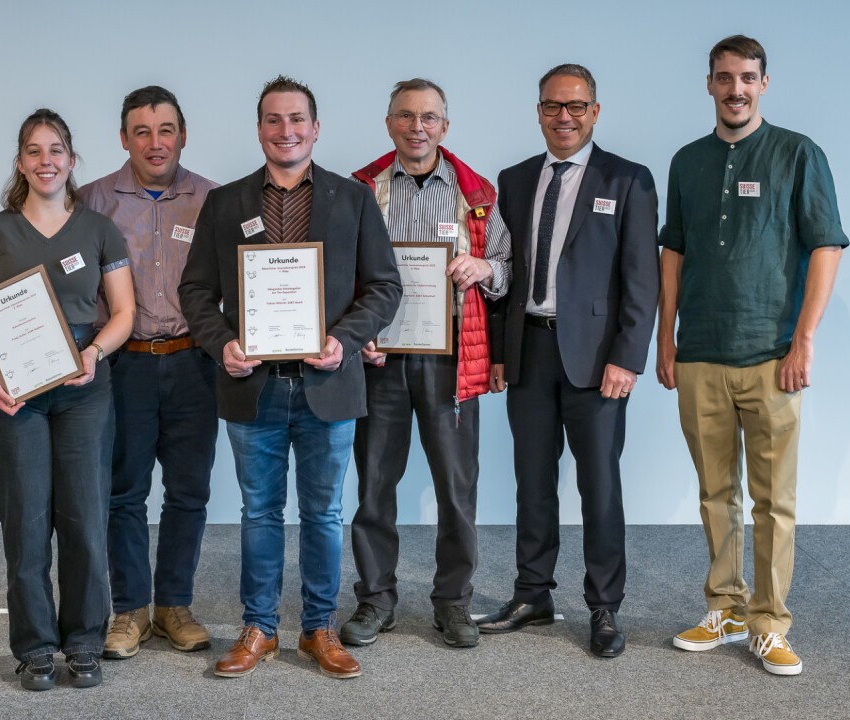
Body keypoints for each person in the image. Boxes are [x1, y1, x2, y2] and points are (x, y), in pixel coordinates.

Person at [178, 75, 402, 680]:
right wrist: (222, 342)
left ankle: (319, 629)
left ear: (315, 128)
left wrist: (343, 340)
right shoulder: (226, 203)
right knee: (259, 512)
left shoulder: (353, 200)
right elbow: (196, 290)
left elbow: (385, 287)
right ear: (259, 130)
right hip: (254, 384)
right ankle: (260, 628)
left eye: (297, 119)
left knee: (325, 514)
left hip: (328, 382)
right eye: (274, 121)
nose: (286, 131)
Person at [658, 35, 848, 676]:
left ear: (764, 83)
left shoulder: (798, 153)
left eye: (747, 77)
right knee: (716, 494)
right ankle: (726, 607)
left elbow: (826, 246)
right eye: (723, 78)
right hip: (700, 354)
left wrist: (804, 339)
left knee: (774, 501)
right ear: (708, 84)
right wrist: (665, 340)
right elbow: (673, 255)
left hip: (771, 355)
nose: (735, 89)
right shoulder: (686, 162)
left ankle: (769, 622)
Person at [475, 64, 658, 659]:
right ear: (538, 111)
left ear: (595, 112)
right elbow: (509, 274)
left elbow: (641, 280)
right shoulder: (515, 179)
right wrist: (501, 353)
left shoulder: (627, 179)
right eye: (553, 106)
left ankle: (604, 606)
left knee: (599, 485)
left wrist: (628, 358)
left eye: (576, 106)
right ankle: (533, 594)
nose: (565, 116)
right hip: (529, 350)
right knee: (532, 481)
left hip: (598, 361)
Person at [0, 109, 136, 690]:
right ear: (20, 162)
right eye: (34, 151)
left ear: (71, 159)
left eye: (56, 150)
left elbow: (124, 313)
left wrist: (95, 354)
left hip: (84, 390)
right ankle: (35, 646)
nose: (46, 161)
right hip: (17, 395)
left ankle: (85, 639)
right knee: (27, 520)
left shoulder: (98, 229)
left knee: (85, 517)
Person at [341, 79, 510, 650]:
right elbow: (338, 274)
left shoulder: (476, 193)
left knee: (457, 489)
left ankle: (453, 603)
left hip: (452, 364)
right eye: (407, 116)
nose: (418, 127)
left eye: (430, 117)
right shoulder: (360, 190)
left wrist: (484, 270)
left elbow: (506, 265)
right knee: (374, 487)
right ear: (389, 123)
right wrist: (356, 332)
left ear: (445, 125)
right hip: (379, 361)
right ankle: (376, 599)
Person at [79, 86, 219, 660]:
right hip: (125, 364)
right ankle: (131, 609)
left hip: (195, 364)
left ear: (182, 134)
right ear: (123, 139)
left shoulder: (215, 199)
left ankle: (174, 606)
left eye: (166, 130)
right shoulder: (91, 202)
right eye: (142, 131)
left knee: (189, 492)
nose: (155, 142)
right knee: (124, 492)